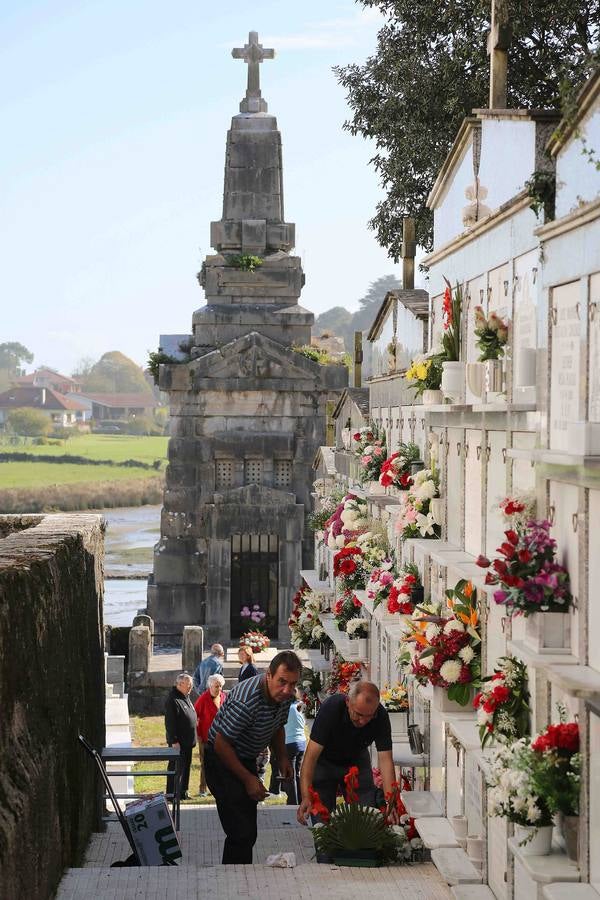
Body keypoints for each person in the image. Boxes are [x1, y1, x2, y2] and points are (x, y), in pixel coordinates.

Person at [204, 649, 302, 864]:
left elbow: (277, 726)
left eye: (293, 684)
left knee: (247, 829)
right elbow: (221, 744)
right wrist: (248, 779)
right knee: (240, 831)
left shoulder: (284, 696)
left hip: (245, 756)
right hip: (221, 759)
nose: (287, 690)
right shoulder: (246, 700)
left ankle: (241, 875)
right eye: (282, 682)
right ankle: (234, 879)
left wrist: (283, 758)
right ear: (269, 675)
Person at [296, 681, 397, 824]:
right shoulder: (331, 708)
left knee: (365, 816)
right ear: (348, 702)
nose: (363, 721)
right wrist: (306, 796)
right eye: (359, 714)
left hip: (356, 760)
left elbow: (386, 761)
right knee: (321, 818)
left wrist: (390, 802)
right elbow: (310, 758)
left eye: (369, 716)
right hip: (324, 760)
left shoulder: (380, 716)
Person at [164, 673, 197, 801]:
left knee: (186, 767)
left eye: (191, 685)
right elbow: (170, 722)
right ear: (180, 684)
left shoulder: (185, 696)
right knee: (176, 768)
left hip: (188, 741)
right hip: (179, 742)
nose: (190, 687)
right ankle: (172, 794)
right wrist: (174, 740)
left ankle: (183, 792)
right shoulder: (173, 699)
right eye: (188, 685)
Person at [194, 673, 227, 797]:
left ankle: (219, 787)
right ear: (210, 686)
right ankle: (203, 788)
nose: (218, 689)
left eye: (220, 686)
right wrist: (198, 734)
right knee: (205, 764)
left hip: (222, 738)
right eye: (216, 686)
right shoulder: (203, 698)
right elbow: (194, 716)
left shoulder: (224, 697)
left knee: (221, 763)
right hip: (206, 737)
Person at [282, 697, 306, 804]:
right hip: (301, 742)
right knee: (298, 774)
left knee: (290, 775)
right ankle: (300, 799)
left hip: (290, 742)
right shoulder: (299, 708)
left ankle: (292, 801)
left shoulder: (288, 708)